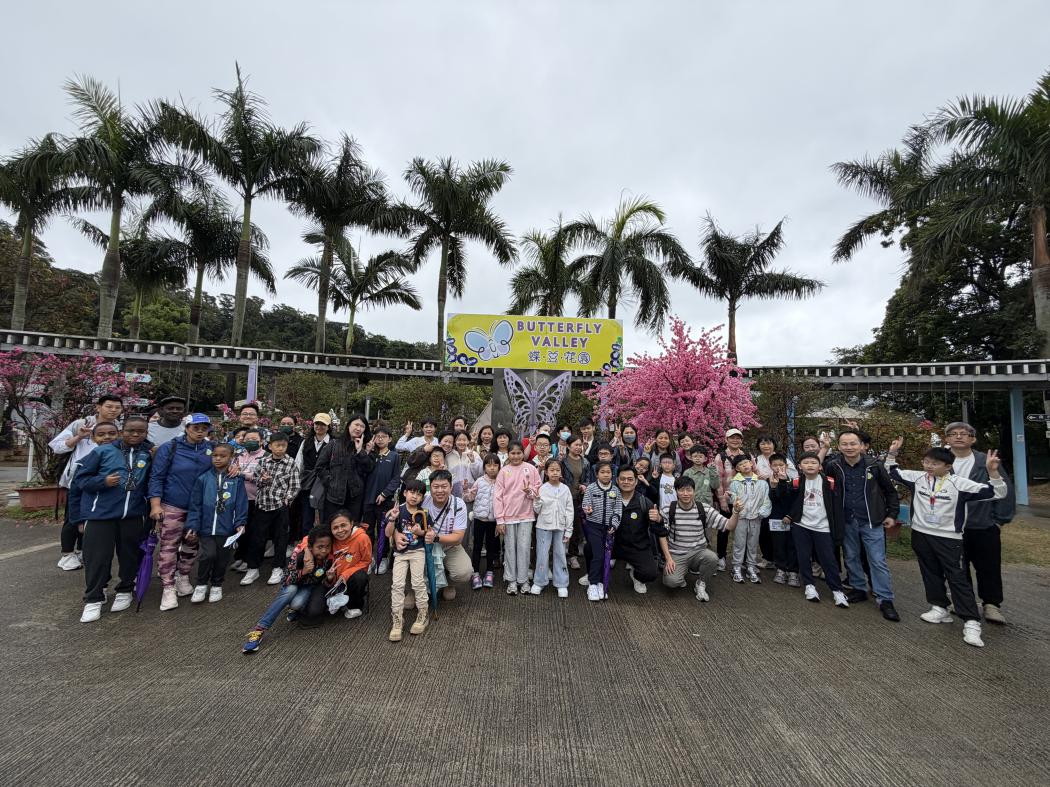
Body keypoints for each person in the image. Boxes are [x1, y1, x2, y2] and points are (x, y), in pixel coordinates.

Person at [886, 438, 1007, 648]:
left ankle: (971, 621)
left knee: (957, 578)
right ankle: (939, 607)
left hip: (949, 538)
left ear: (948, 466)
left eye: (934, 464)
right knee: (929, 572)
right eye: (926, 462)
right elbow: (892, 471)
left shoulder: (959, 484)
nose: (929, 466)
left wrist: (993, 472)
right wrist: (892, 453)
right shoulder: (917, 478)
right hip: (921, 534)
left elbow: (997, 492)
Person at [74, 417, 152, 622]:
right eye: (130, 430)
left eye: (141, 431)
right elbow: (81, 480)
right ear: (121, 431)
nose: (135, 434)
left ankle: (125, 589)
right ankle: (94, 597)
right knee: (97, 558)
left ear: (146, 433)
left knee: (130, 555)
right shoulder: (102, 451)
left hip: (133, 515)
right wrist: (103, 481)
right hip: (101, 515)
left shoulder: (147, 454)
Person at [824, 429, 902, 622]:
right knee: (851, 556)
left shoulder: (874, 465)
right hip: (846, 520)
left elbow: (890, 492)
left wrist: (891, 514)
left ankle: (885, 599)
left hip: (871, 520)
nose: (849, 447)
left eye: (853, 443)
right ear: (839, 446)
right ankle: (858, 588)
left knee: (877, 560)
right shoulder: (833, 466)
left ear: (861, 445)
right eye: (844, 444)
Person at [944, 421, 1016, 625]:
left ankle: (991, 604)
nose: (959, 436)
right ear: (947, 439)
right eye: (953, 434)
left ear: (973, 439)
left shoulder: (986, 460)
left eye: (964, 433)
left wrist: (998, 520)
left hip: (983, 524)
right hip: (951, 526)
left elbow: (1005, 489)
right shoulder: (940, 460)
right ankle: (963, 602)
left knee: (988, 566)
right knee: (957, 567)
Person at [148, 412, 220, 611]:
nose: (200, 432)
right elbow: (157, 477)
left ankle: (184, 575)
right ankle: (168, 586)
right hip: (173, 504)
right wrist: (155, 504)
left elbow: (223, 466)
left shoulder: (212, 448)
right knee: (169, 546)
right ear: (186, 428)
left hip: (199, 507)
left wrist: (234, 468)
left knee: (192, 543)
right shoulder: (170, 447)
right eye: (195, 428)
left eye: (204, 428)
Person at [50, 393, 124, 570]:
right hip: (79, 479)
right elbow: (56, 446)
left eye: (117, 407)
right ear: (98, 407)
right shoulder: (81, 424)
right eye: (109, 406)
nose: (113, 410)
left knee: (91, 516)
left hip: (104, 481)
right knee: (73, 517)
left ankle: (82, 550)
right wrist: (79, 437)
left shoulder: (120, 427)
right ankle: (67, 554)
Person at [774, 451, 849, 608]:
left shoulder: (830, 482)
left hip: (823, 527)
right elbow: (784, 497)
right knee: (803, 556)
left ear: (820, 466)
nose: (810, 465)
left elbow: (837, 508)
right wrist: (782, 481)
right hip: (802, 526)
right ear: (800, 466)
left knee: (828, 559)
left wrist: (838, 530)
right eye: (806, 462)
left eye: (813, 462)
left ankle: (837, 590)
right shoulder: (796, 482)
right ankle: (809, 585)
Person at [242, 525, 334, 653]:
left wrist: (329, 579)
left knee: (297, 603)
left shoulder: (328, 560)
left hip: (308, 587)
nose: (324, 551)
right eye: (320, 547)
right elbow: (286, 579)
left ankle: (294, 609)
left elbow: (322, 582)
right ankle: (259, 629)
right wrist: (303, 571)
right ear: (310, 547)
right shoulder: (300, 555)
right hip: (292, 585)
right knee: (290, 591)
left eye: (327, 547)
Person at [661, 477, 744, 602]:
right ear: (676, 491)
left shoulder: (703, 509)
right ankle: (681, 573)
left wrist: (736, 512)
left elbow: (729, 526)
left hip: (698, 552)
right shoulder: (668, 509)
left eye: (689, 490)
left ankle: (701, 583)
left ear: (694, 491)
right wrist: (668, 558)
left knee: (712, 558)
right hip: (677, 554)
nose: (685, 494)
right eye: (681, 490)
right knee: (671, 582)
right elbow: (661, 534)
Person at [185, 443, 248, 605]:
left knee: (222, 558)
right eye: (215, 455)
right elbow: (195, 505)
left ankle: (217, 584)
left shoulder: (237, 480)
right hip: (206, 528)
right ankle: (201, 584)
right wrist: (193, 525)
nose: (218, 459)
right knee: (208, 555)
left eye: (222, 456)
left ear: (231, 458)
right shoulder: (203, 479)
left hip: (226, 528)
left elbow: (241, 503)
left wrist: (240, 522)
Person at [246, 430, 301, 586]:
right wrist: (263, 480)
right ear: (270, 446)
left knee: (280, 538)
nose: (280, 448)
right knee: (257, 538)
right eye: (277, 445)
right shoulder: (263, 462)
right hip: (263, 504)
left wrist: (287, 499)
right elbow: (256, 480)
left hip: (280, 507)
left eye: (283, 445)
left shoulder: (291, 463)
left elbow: (295, 485)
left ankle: (278, 567)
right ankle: (253, 568)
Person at [385, 480, 431, 641]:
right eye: (412, 492)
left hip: (418, 551)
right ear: (405, 493)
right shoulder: (398, 510)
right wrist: (392, 519)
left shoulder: (424, 513)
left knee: (418, 583)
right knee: (397, 585)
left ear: (423, 497)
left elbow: (428, 533)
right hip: (400, 553)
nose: (414, 496)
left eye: (419, 494)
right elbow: (387, 533)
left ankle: (423, 613)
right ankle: (397, 618)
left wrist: (420, 532)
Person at [495, 442, 541, 595]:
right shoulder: (503, 471)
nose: (515, 456)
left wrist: (530, 491)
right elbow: (497, 497)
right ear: (508, 454)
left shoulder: (531, 469)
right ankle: (511, 580)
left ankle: (523, 580)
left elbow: (538, 488)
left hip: (526, 516)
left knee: (524, 548)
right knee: (509, 548)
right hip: (508, 517)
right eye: (512, 453)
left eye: (518, 453)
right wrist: (500, 520)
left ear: (523, 453)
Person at [612, 466, 666, 595]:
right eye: (622, 479)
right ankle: (593, 575)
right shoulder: (610, 499)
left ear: (636, 481)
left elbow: (658, 530)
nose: (626, 482)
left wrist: (658, 519)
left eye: (630, 479)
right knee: (590, 549)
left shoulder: (644, 502)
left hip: (637, 546)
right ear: (617, 480)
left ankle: (636, 576)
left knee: (650, 573)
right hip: (614, 545)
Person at [315, 413, 375, 523]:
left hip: (355, 498)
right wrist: (330, 481)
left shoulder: (367, 447)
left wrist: (360, 451)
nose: (358, 428)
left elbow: (369, 468)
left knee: (352, 527)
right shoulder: (334, 444)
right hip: (333, 497)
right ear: (348, 426)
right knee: (332, 526)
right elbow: (320, 467)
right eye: (356, 425)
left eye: (362, 426)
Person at [422, 470, 472, 596]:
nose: (440, 490)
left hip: (450, 545)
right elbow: (400, 511)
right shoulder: (422, 501)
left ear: (451, 487)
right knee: (408, 557)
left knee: (464, 572)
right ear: (430, 487)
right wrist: (392, 519)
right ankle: (413, 589)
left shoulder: (458, 504)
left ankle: (447, 583)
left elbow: (458, 538)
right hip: (425, 545)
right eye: (436, 487)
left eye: (444, 486)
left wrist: (436, 537)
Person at [530, 458, 574, 597]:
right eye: (552, 470)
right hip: (544, 525)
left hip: (561, 526)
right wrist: (537, 500)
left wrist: (569, 529)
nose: (555, 473)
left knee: (560, 554)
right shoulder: (542, 488)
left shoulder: (565, 489)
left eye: (557, 470)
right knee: (542, 554)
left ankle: (561, 583)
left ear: (561, 472)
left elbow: (570, 510)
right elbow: (537, 510)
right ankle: (539, 582)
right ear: (547, 472)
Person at [579, 461, 622, 602]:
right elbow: (586, 504)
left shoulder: (615, 490)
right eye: (602, 472)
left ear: (612, 474)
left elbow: (618, 509)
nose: (605, 475)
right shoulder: (591, 488)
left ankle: (601, 583)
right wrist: (588, 510)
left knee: (605, 556)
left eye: (608, 472)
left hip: (609, 528)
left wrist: (614, 524)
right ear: (597, 474)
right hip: (593, 526)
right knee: (598, 554)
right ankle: (592, 583)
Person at [728, 454, 772, 584]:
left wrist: (761, 513)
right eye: (741, 465)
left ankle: (751, 567)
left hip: (756, 518)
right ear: (737, 468)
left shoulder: (762, 482)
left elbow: (766, 500)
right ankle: (736, 567)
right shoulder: (735, 483)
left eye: (746, 462)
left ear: (751, 463)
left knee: (753, 544)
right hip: (740, 517)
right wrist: (735, 505)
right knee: (739, 543)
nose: (745, 465)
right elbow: (733, 499)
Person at [713, 428, 752, 571]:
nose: (735, 440)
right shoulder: (721, 457)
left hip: (745, 499)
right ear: (726, 440)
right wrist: (722, 500)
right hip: (728, 499)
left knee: (744, 530)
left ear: (741, 440)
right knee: (724, 528)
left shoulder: (747, 455)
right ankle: (721, 557)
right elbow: (718, 480)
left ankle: (743, 559)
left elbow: (755, 472)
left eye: (738, 438)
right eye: (732, 438)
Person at [231, 428, 267, 582]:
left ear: (261, 441)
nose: (250, 442)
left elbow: (261, 477)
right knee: (242, 530)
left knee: (255, 533)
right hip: (240, 499)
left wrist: (242, 474)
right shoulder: (239, 455)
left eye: (254, 439)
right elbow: (231, 471)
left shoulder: (266, 456)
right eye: (247, 439)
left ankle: (252, 564)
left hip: (258, 500)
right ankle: (241, 557)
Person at [465, 453, 501, 589]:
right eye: (489, 465)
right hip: (479, 519)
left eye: (495, 465)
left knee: (491, 547)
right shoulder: (479, 481)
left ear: (499, 467)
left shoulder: (501, 482)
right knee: (477, 546)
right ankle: (475, 572)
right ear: (484, 467)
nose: (492, 468)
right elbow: (469, 498)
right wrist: (465, 490)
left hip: (493, 520)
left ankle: (489, 572)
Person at [293, 413, 331, 537]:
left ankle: (325, 542)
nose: (319, 427)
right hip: (308, 482)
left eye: (323, 424)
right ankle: (307, 542)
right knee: (307, 515)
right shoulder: (306, 442)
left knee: (324, 515)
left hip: (325, 483)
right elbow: (299, 463)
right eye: (317, 424)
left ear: (328, 426)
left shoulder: (333, 442)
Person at [327, 511, 371, 619]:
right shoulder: (330, 537)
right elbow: (309, 539)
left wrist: (346, 574)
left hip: (351, 577)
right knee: (318, 610)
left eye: (343, 525)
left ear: (351, 524)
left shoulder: (362, 538)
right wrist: (306, 550)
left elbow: (366, 561)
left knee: (360, 577)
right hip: (331, 579)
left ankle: (355, 605)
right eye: (335, 527)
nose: (340, 530)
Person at [559, 435, 593, 570]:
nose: (578, 447)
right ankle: (559, 554)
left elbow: (587, 479)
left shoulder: (585, 462)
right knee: (561, 525)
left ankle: (572, 555)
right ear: (568, 446)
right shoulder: (562, 461)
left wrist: (584, 485)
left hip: (578, 498)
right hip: (563, 498)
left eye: (580, 445)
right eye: (575, 445)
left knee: (576, 527)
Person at [766, 454, 800, 587]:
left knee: (793, 544)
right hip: (776, 517)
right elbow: (774, 499)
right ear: (770, 466)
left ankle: (793, 571)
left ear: (786, 466)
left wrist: (790, 516)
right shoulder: (768, 481)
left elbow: (795, 500)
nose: (778, 468)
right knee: (778, 543)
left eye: (781, 465)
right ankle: (780, 569)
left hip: (792, 517)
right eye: (775, 465)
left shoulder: (794, 481)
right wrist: (774, 487)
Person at [362, 425, 401, 539]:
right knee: (367, 529)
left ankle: (382, 551)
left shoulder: (394, 456)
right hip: (368, 498)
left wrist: (385, 494)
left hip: (385, 500)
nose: (380, 439)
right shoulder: (369, 454)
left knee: (383, 529)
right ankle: (368, 550)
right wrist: (367, 452)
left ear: (389, 439)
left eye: (383, 437)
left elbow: (396, 479)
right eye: (377, 436)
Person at [682, 445, 720, 510]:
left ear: (705, 459)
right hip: (692, 505)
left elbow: (715, 486)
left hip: (707, 504)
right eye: (695, 456)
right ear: (691, 458)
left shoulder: (709, 471)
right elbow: (684, 489)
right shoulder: (687, 473)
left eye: (700, 456)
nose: (697, 458)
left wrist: (713, 471)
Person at [446, 430, 482, 496]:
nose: (462, 442)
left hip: (471, 493)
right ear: (454, 442)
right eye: (459, 440)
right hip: (453, 493)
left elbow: (480, 475)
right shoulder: (448, 456)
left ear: (468, 441)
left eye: (464, 440)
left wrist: (473, 461)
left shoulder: (474, 454)